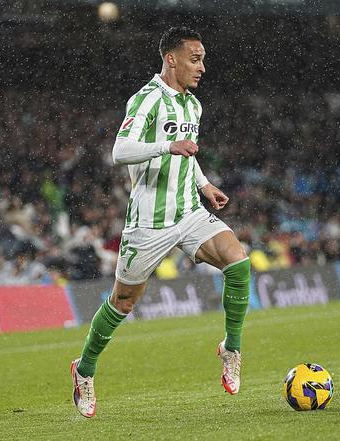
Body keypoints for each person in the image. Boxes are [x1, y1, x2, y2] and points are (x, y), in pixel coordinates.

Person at [70, 27, 251, 418]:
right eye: (195, 59)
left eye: (203, 59)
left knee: (237, 261)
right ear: (172, 59)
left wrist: (204, 184)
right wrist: (167, 146)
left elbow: (188, 153)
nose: (202, 67)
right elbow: (120, 150)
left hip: (189, 211)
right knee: (123, 301)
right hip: (149, 221)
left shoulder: (193, 106)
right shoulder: (147, 99)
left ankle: (232, 348)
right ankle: (84, 369)